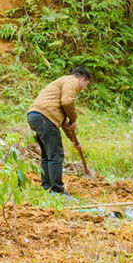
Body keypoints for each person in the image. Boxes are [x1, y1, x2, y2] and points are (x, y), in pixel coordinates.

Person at [26, 67, 91, 196]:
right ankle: (57, 190)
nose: (83, 88)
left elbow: (62, 121)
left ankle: (47, 188)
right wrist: (74, 118)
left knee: (47, 155)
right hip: (45, 118)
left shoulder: (55, 96)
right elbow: (67, 102)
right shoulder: (71, 81)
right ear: (83, 79)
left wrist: (74, 140)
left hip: (35, 116)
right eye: (86, 85)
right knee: (56, 155)